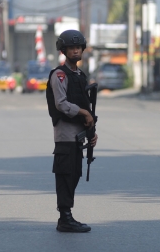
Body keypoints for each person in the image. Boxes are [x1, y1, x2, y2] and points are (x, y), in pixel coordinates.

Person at [45, 30, 98, 233]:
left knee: (75, 174)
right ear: (63, 50)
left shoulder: (80, 75)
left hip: (78, 135)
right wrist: (84, 113)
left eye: (78, 47)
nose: (75, 50)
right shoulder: (59, 74)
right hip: (65, 135)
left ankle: (67, 216)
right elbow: (61, 104)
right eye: (71, 47)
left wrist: (91, 130)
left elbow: (87, 105)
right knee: (66, 175)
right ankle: (64, 218)